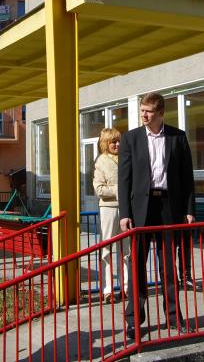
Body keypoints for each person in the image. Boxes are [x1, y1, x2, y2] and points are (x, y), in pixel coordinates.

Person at [119, 92, 195, 339]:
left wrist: (189, 210)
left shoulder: (177, 137)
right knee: (137, 266)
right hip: (141, 209)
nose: (144, 114)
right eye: (142, 110)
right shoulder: (131, 139)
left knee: (169, 267)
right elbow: (124, 180)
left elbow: (187, 177)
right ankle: (134, 320)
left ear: (161, 113)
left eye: (149, 111)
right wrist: (124, 213)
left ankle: (174, 317)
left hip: (168, 208)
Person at [93, 127, 129, 303]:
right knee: (106, 250)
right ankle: (108, 289)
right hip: (108, 209)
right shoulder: (101, 161)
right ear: (105, 143)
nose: (117, 144)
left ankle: (127, 287)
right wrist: (120, 190)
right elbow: (99, 189)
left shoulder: (126, 158)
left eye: (119, 141)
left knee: (126, 250)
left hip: (126, 208)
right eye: (113, 141)